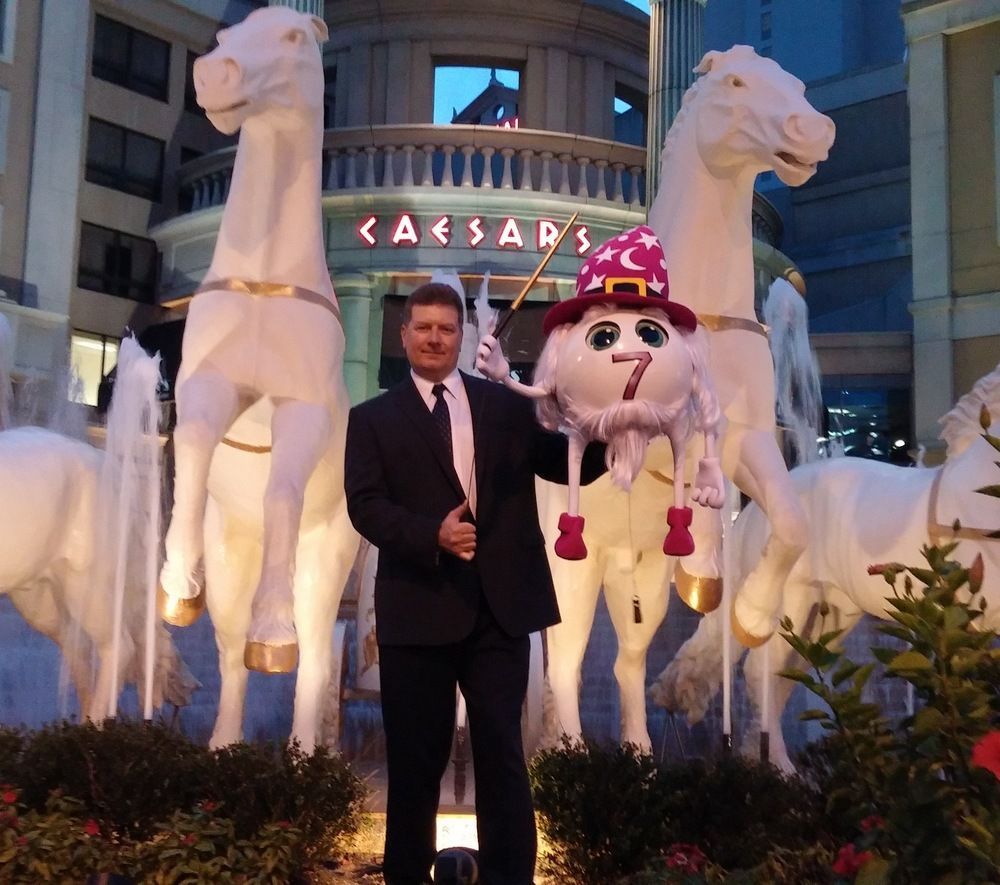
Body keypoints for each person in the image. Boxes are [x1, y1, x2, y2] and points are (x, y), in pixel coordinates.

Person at [344, 282, 604, 885]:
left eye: (447, 329)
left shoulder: (504, 404)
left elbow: (576, 464)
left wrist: (608, 418)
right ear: (404, 335)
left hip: (499, 612)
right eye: (424, 328)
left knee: (503, 757)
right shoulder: (372, 419)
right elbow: (365, 505)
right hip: (417, 610)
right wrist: (429, 534)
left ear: (461, 336)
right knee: (414, 765)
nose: (436, 338)